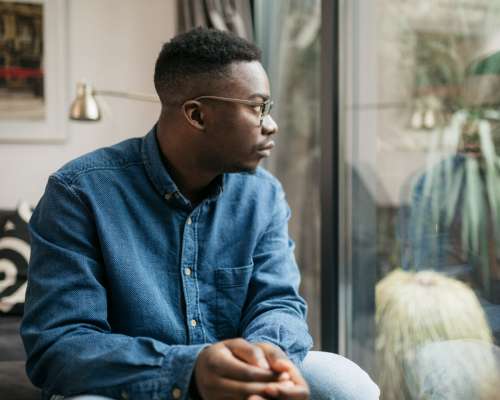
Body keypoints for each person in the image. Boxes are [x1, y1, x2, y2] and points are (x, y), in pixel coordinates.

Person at [21, 28, 379, 400]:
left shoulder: (263, 194)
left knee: (343, 381)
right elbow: (59, 346)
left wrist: (262, 360)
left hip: (236, 382)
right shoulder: (78, 193)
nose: (271, 125)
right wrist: (188, 369)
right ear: (197, 115)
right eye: (258, 108)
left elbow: (278, 302)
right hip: (132, 387)